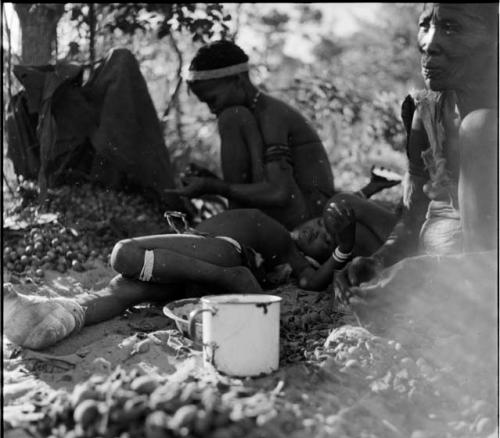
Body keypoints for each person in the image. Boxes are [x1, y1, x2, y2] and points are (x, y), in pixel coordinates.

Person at [4, 195, 397, 350]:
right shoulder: (283, 239)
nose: (318, 233)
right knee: (124, 290)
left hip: (222, 258)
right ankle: (52, 321)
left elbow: (312, 279)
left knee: (125, 254)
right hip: (194, 271)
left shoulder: (283, 245)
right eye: (320, 225)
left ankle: (228, 282)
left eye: (323, 242)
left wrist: (344, 245)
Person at [335, 3, 498, 302]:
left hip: (479, 289)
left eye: (451, 27)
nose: (429, 43)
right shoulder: (427, 111)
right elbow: (413, 218)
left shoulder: (486, 127)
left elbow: (485, 266)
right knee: (340, 212)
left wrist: (417, 278)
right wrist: (380, 262)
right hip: (443, 267)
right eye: (425, 25)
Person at [168, 40, 401, 230]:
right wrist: (212, 183)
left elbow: (279, 193)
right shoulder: (255, 112)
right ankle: (239, 229)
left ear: (238, 81)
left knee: (232, 117)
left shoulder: (269, 115)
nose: (212, 109)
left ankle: (241, 232)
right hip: (302, 211)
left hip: (311, 220)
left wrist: (215, 186)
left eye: (213, 100)